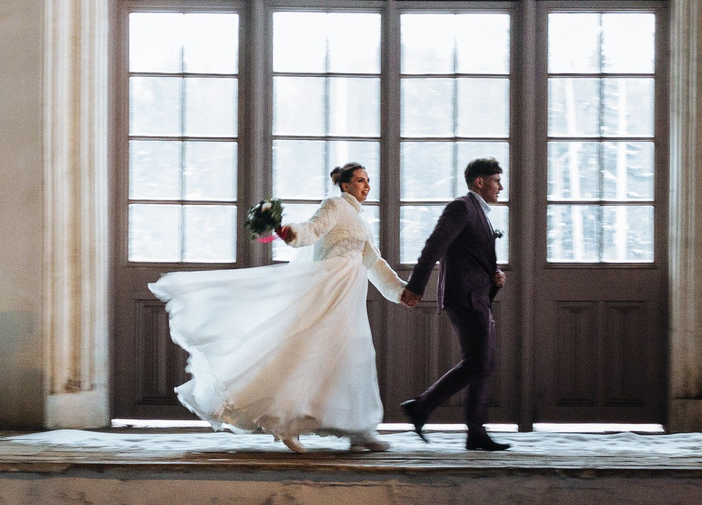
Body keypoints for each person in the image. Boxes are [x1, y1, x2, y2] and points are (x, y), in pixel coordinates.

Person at [149, 163, 408, 454]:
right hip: (327, 291)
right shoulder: (334, 205)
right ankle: (292, 423)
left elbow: (373, 262)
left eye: (368, 181)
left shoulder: (361, 222)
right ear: (345, 186)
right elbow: (312, 230)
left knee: (350, 358)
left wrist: (400, 291)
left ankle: (357, 431)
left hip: (348, 297)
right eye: (360, 180)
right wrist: (289, 232)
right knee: (308, 354)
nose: (367, 185)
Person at [399, 157, 510, 452]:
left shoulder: (480, 212)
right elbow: (434, 246)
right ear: (479, 182)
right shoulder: (461, 207)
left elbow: (472, 255)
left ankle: (474, 432)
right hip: (465, 298)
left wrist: (493, 274)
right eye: (497, 180)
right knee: (479, 362)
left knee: (482, 364)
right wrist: (415, 287)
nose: (501, 186)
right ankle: (423, 407)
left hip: (478, 295)